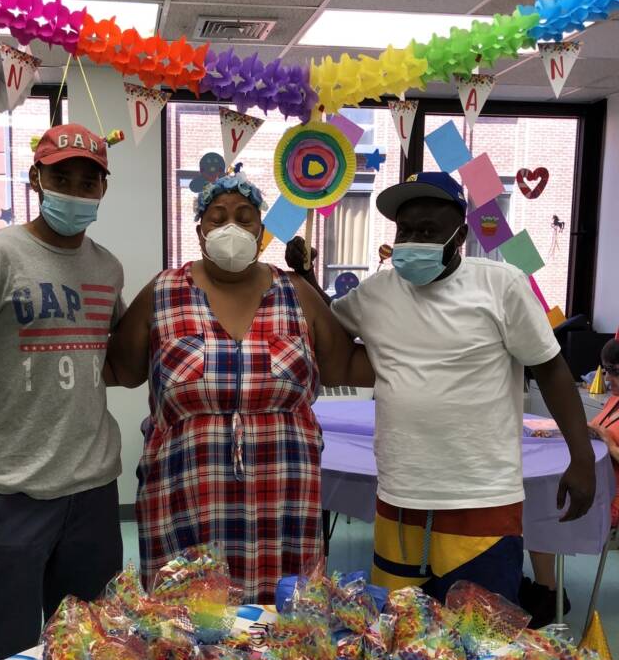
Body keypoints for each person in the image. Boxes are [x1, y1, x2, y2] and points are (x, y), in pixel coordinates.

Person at [288, 171, 595, 604]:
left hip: (482, 496)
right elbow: (328, 334)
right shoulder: (376, 293)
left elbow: (551, 370)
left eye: (428, 230)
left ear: (461, 235)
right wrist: (303, 279)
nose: (412, 240)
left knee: (480, 643)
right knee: (402, 641)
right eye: (405, 230)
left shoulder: (501, 285)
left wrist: (580, 458)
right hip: (399, 495)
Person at [104, 170, 372, 603]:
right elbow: (121, 368)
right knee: (186, 634)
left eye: (245, 217)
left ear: (261, 231)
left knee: (284, 633)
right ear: (200, 229)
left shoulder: (296, 293)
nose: (231, 227)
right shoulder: (163, 292)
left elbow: (343, 366)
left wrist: (426, 344)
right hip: (185, 502)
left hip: (284, 507)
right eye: (218, 217)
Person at [0, 123, 125, 660]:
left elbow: (108, 360)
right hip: (10, 489)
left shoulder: (108, 268)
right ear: (37, 177)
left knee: (88, 652)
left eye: (87, 181)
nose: (74, 190)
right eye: (60, 176)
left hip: (91, 488)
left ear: (102, 190)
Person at [522, 333, 619, 625]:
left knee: (543, 511)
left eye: (615, 372)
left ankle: (549, 594)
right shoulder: (613, 401)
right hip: (599, 485)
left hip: (610, 499)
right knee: (535, 504)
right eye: (606, 370)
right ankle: (545, 587)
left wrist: (609, 444)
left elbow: (608, 442)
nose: (607, 379)